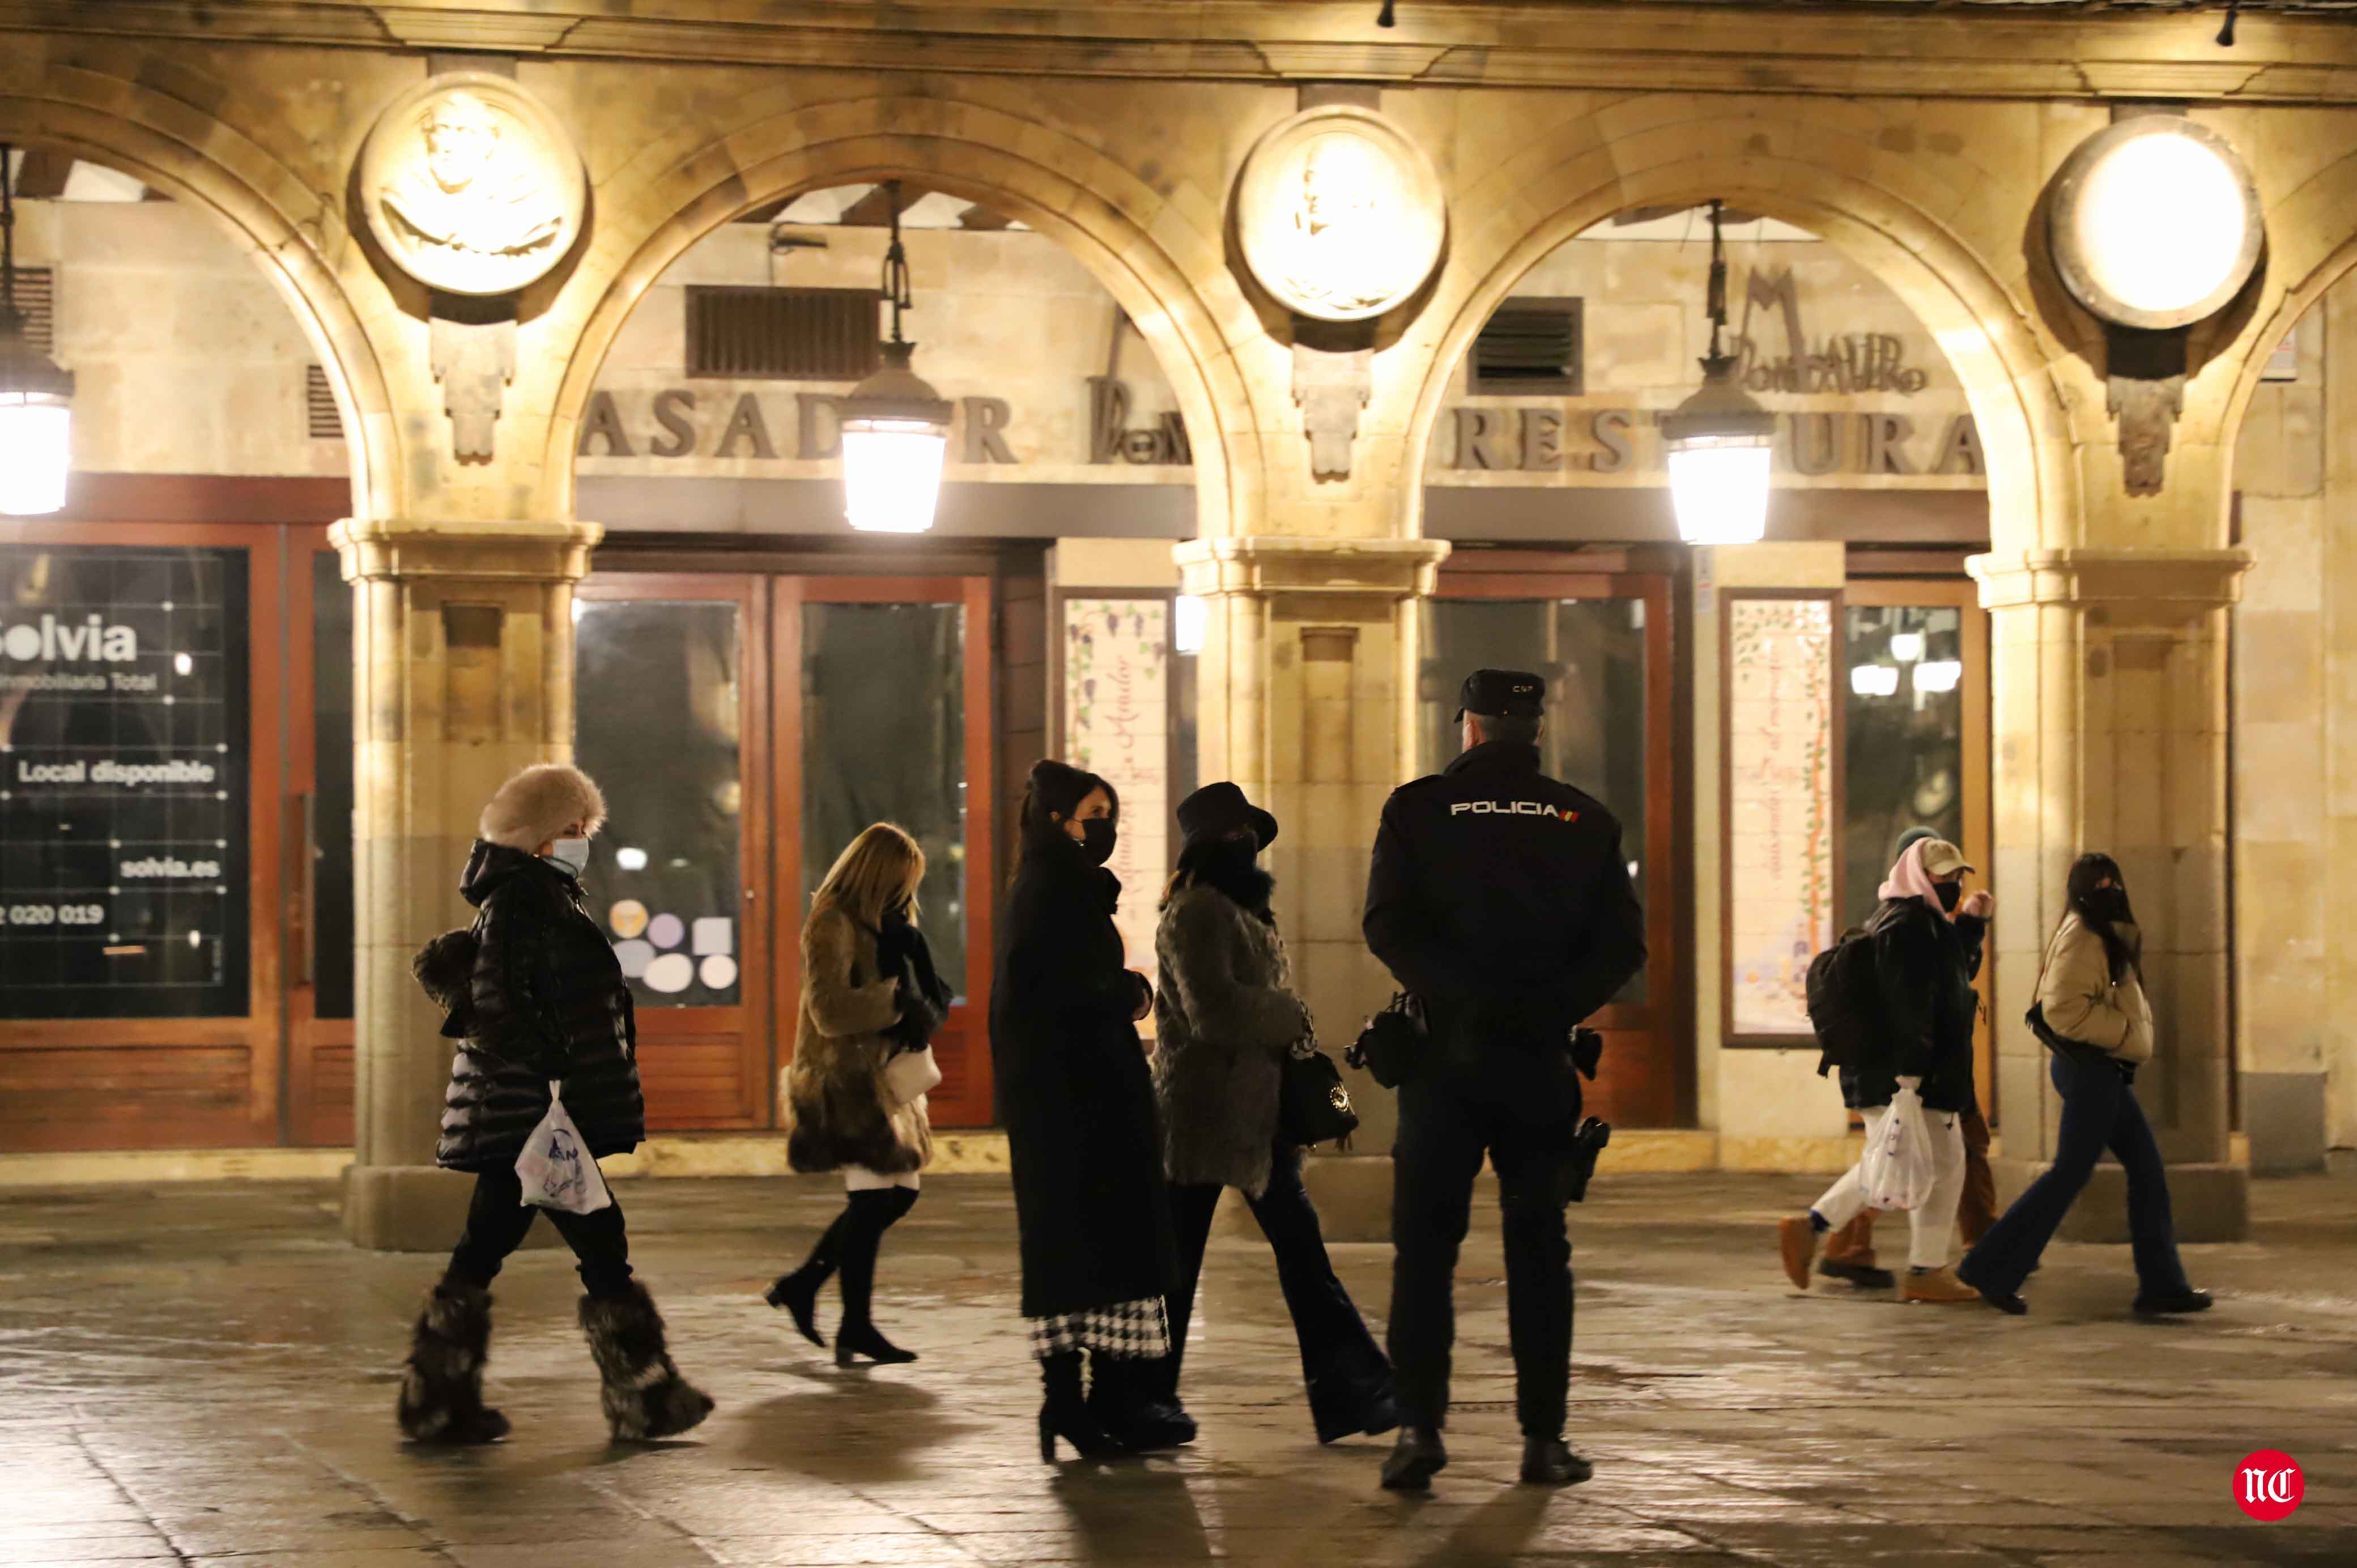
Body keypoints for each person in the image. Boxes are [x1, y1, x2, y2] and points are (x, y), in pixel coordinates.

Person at [1363, 670, 1648, 1492]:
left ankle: (1418, 1431)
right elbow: (1622, 948)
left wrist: (1460, 1001)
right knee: (1539, 1251)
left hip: (1443, 1066)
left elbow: (1386, 924)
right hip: (1537, 1065)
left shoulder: (1416, 810)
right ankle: (1543, 1442)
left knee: (1423, 1253)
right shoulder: (1585, 820)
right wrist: (1545, 1006)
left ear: (1471, 729)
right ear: (1535, 731)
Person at [397, 762, 713, 1446]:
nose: (580, 839)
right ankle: (644, 1392)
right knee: (599, 1242)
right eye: (568, 828)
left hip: (533, 1109)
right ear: (534, 835)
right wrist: (555, 1073)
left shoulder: (546, 894)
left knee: (487, 1248)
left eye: (584, 828)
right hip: (534, 1110)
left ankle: (438, 1395)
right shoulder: (522, 901)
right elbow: (501, 1003)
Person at [1152, 781, 1399, 1445]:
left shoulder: (1245, 912)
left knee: (1302, 1255)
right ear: (1207, 848)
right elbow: (1211, 1011)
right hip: (1201, 1115)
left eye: (1250, 838)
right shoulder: (1196, 911)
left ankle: (1357, 1391)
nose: (1247, 849)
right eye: (1233, 839)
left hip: (1257, 1114)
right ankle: (1144, 1396)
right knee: (1176, 1266)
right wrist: (1289, 1013)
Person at [992, 760, 1179, 1461]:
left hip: (1076, 1103)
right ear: (1053, 819)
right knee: (1086, 1248)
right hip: (1075, 1106)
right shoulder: (1054, 891)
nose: (1104, 827)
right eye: (1092, 813)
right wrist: (1130, 992)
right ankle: (1071, 1404)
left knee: (1088, 1252)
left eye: (1109, 813)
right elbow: (1068, 992)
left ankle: (1089, 1403)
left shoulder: (1053, 888)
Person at [1957, 855, 2213, 1317]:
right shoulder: (2084, 936)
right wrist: (2124, 1035)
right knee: (2070, 1173)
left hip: (2102, 1071)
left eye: (2114, 881)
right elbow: (2062, 1011)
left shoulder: (2099, 933)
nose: (2110, 890)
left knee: (2147, 1170)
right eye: (2099, 884)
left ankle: (2163, 1284)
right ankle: (1990, 1268)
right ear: (2080, 891)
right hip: (2091, 1070)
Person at [769, 823, 952, 1366]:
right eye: (902, 880)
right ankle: (843, 1316)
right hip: (846, 1081)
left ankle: (818, 1296)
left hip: (882, 1079)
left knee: (893, 1196)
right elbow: (828, 1011)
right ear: (878, 876)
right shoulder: (831, 922)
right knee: (880, 1199)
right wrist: (898, 999)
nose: (907, 892)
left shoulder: (883, 925)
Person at [1779, 837, 1990, 1305]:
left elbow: (1953, 982)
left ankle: (1819, 1229)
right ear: (1919, 874)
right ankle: (1923, 1268)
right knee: (1932, 1163)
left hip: (1905, 1074)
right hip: (1903, 1076)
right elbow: (1908, 1008)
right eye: (1945, 876)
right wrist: (1909, 1080)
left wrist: (1971, 927)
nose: (1953, 884)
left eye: (1958, 876)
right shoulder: (1907, 927)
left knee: (1914, 1161)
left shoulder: (1925, 924)